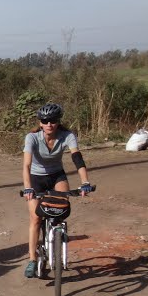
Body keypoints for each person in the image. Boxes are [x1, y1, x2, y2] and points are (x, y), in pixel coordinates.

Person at [21, 102, 93, 277]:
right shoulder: (32, 137)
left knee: (61, 207)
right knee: (36, 218)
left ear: (58, 121)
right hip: (36, 178)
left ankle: (57, 234)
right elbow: (26, 165)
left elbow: (77, 159)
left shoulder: (67, 136)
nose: (49, 124)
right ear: (40, 122)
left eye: (52, 120)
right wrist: (28, 188)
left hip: (56, 176)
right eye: (45, 121)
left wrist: (85, 182)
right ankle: (32, 260)